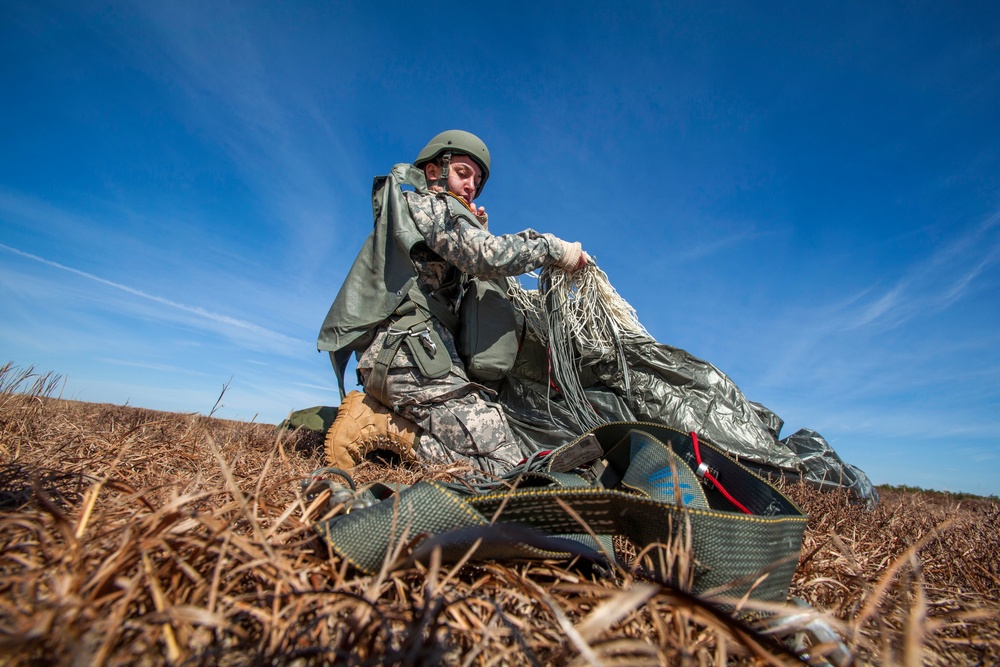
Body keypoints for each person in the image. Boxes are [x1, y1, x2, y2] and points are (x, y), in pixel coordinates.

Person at [318, 130, 588, 474]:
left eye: (477, 179)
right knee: (503, 462)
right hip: (408, 355)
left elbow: (467, 276)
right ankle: (378, 423)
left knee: (484, 453)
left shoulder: (433, 212)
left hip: (418, 356)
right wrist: (552, 248)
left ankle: (387, 431)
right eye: (463, 173)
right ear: (435, 171)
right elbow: (486, 257)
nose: (472, 185)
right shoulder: (433, 204)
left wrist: (476, 229)